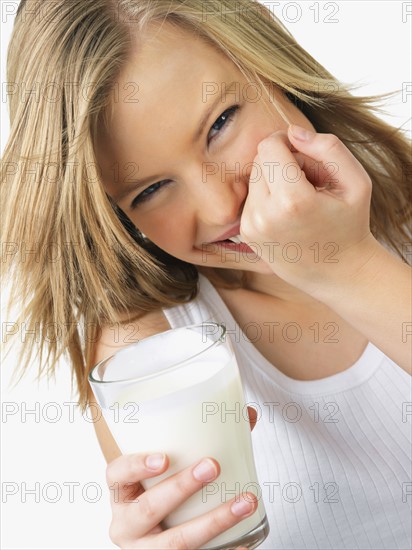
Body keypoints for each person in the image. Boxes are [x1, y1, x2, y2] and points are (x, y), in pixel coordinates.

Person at [1, 1, 411, 549]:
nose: (221, 209)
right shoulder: (149, 351)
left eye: (220, 124)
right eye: (149, 190)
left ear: (273, 67)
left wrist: (348, 265)